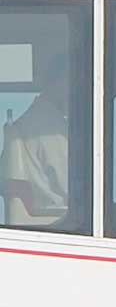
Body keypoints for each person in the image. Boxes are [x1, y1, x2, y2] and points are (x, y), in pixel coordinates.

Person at [0, 59, 70, 226]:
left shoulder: (33, 121)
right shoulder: (48, 127)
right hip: (57, 224)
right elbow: (70, 187)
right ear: (59, 83)